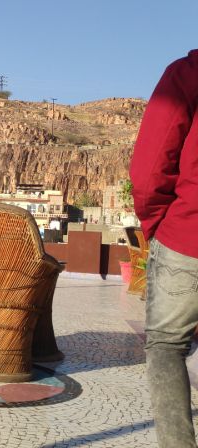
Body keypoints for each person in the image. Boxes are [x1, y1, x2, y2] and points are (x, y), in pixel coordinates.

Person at [130, 49, 198, 447]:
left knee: (166, 346)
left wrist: (159, 227)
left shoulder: (187, 74)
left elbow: (150, 166)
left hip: (188, 237)